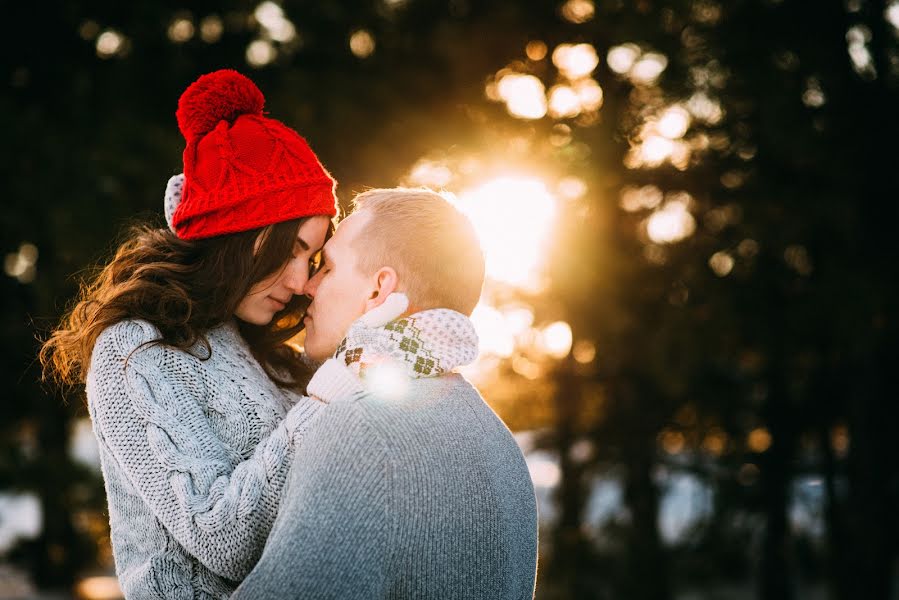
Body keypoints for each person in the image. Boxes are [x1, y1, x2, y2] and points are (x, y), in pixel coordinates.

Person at [39, 69, 340, 598]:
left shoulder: (270, 350)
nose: (299, 282)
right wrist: (334, 395)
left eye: (312, 256)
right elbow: (227, 540)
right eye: (289, 248)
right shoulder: (136, 351)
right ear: (237, 230)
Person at [233, 188, 539, 599]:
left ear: (378, 291)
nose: (307, 285)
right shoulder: (497, 438)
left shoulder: (357, 428)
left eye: (328, 267)